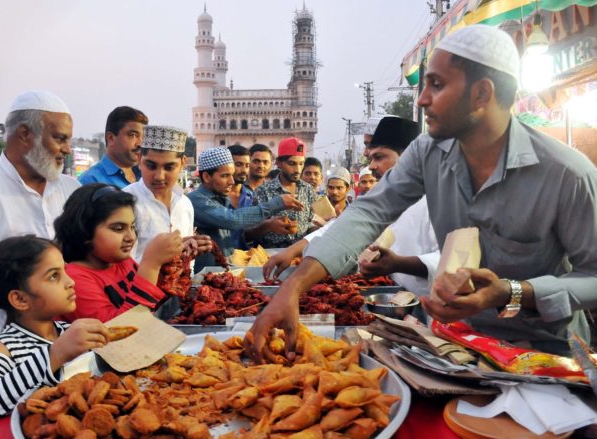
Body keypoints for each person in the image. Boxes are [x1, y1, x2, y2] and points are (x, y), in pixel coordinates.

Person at [250, 24, 597, 359]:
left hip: (545, 355)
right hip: (456, 347)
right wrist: (294, 287)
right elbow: (369, 212)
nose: (422, 100)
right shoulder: (427, 151)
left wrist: (513, 291)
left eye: (437, 84)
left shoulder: (567, 174)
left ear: (481, 94)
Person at [0, 90, 80, 384]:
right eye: (59, 138)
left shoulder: (70, 189)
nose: (68, 149)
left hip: (68, 347)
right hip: (0, 354)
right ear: (24, 134)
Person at [263, 116, 437, 298]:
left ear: (408, 158)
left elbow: (457, 261)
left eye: (379, 157)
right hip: (392, 296)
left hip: (433, 307)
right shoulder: (388, 195)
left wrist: (399, 264)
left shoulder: (437, 199)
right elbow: (344, 228)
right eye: (371, 158)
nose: (371, 166)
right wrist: (291, 252)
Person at [0, 236, 109, 437]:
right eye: (54, 276)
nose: (70, 282)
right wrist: (55, 354)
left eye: (65, 270)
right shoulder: (1, 349)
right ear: (20, 299)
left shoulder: (66, 331)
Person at [54, 184, 184, 322]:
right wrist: (151, 264)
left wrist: (174, 259)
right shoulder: (75, 280)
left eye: (133, 227)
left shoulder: (122, 262)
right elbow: (119, 331)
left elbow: (151, 298)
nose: (131, 237)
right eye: (118, 228)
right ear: (85, 232)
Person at [188, 147, 303, 270]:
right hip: (204, 275)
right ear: (206, 177)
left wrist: (268, 225)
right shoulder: (196, 199)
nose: (231, 181)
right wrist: (277, 203)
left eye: (231, 175)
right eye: (225, 176)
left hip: (224, 272)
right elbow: (232, 219)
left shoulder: (221, 198)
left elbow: (237, 236)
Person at [124, 125, 211, 263]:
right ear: (140, 160)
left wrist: (186, 250)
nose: (159, 176)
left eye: (169, 167)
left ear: (183, 164)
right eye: (151, 166)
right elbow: (120, 267)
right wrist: (157, 257)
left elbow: (188, 265)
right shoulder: (125, 202)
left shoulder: (185, 204)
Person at [253, 137, 317, 248]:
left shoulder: (308, 190)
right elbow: (248, 233)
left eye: (301, 164)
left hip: (301, 256)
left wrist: (322, 229)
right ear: (278, 163)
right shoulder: (262, 192)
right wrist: (268, 226)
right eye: (292, 163)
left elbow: (310, 222)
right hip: (270, 257)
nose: (297, 170)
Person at [79, 106, 148, 188]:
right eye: (133, 135)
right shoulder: (90, 181)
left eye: (143, 137)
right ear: (111, 138)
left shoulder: (146, 177)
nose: (140, 143)